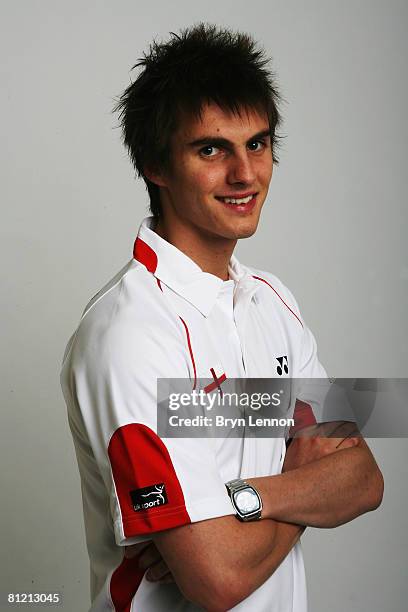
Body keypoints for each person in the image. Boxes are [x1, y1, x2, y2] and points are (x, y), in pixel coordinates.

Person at [60, 23, 384, 612]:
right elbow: (216, 579)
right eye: (212, 149)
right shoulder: (127, 335)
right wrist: (304, 487)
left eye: (257, 144)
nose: (245, 175)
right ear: (157, 165)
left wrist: (241, 500)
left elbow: (365, 480)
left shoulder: (273, 300)